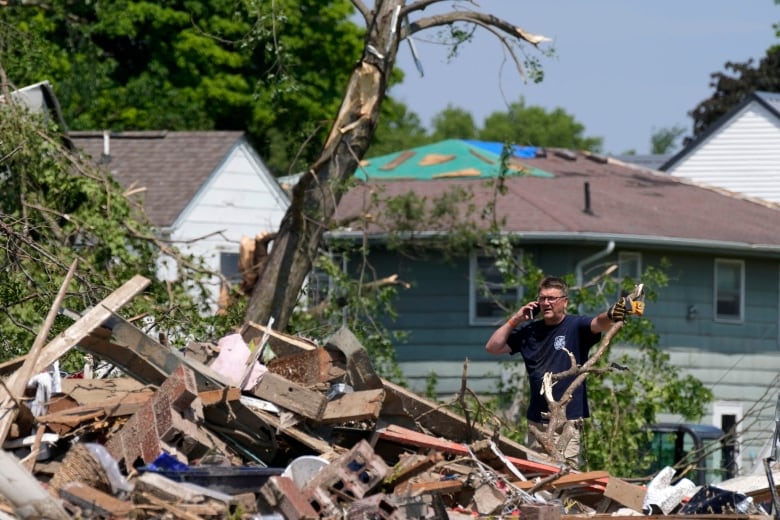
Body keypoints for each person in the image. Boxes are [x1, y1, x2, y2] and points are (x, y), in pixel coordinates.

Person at [484, 276, 634, 467]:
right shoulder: (529, 331)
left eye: (552, 298)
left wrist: (616, 312)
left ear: (565, 301)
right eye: (542, 298)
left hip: (567, 423)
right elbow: (492, 347)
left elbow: (599, 322)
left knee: (564, 476)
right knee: (537, 478)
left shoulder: (575, 326)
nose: (546, 303)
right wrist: (516, 319)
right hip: (537, 423)